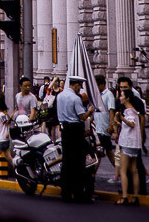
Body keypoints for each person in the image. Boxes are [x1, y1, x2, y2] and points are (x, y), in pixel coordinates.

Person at [56, 74, 95, 203]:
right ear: (75, 84)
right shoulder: (75, 98)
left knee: (67, 161)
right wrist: (89, 111)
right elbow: (82, 117)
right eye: (79, 86)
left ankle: (66, 192)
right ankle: (78, 192)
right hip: (75, 130)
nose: (80, 89)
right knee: (78, 162)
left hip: (65, 131)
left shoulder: (60, 96)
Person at [117, 76, 147, 194]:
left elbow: (139, 120)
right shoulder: (121, 102)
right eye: (121, 88)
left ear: (130, 87)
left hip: (131, 139)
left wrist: (140, 135)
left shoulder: (136, 102)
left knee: (131, 167)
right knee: (133, 169)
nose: (122, 90)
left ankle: (130, 192)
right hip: (128, 137)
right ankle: (133, 191)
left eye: (125, 87)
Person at [115, 88, 142, 205]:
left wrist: (121, 118)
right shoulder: (133, 111)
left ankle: (125, 197)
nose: (120, 98)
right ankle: (135, 197)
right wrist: (119, 122)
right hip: (135, 144)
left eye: (121, 96)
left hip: (127, 143)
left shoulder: (129, 111)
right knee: (134, 170)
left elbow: (131, 124)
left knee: (123, 170)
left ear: (127, 98)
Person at [94, 74, 116, 173]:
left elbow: (111, 111)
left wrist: (111, 125)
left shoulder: (108, 95)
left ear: (102, 84)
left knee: (104, 151)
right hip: (98, 127)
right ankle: (119, 172)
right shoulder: (98, 95)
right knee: (105, 151)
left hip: (104, 127)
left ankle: (119, 172)